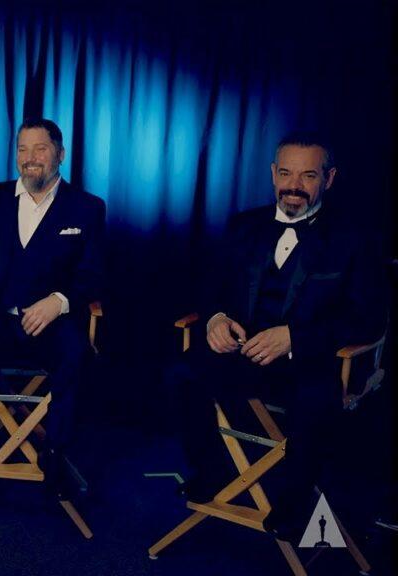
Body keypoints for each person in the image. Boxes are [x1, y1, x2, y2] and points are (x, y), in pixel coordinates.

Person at [178, 132, 388, 542]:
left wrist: (295, 337)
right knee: (181, 375)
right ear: (274, 174)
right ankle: (213, 469)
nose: (294, 185)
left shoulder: (354, 238)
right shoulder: (243, 225)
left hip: (311, 362)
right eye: (286, 173)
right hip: (241, 354)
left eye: (308, 175)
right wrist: (216, 318)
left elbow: (369, 319)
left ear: (328, 179)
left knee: (315, 403)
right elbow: (209, 289)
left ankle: (293, 503)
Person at [0, 118, 106, 499]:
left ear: (60, 155)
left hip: (55, 324)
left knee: (77, 358)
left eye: (40, 149)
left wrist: (59, 301)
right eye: (22, 149)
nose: (30, 158)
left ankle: (54, 452)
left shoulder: (87, 207)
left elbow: (94, 274)